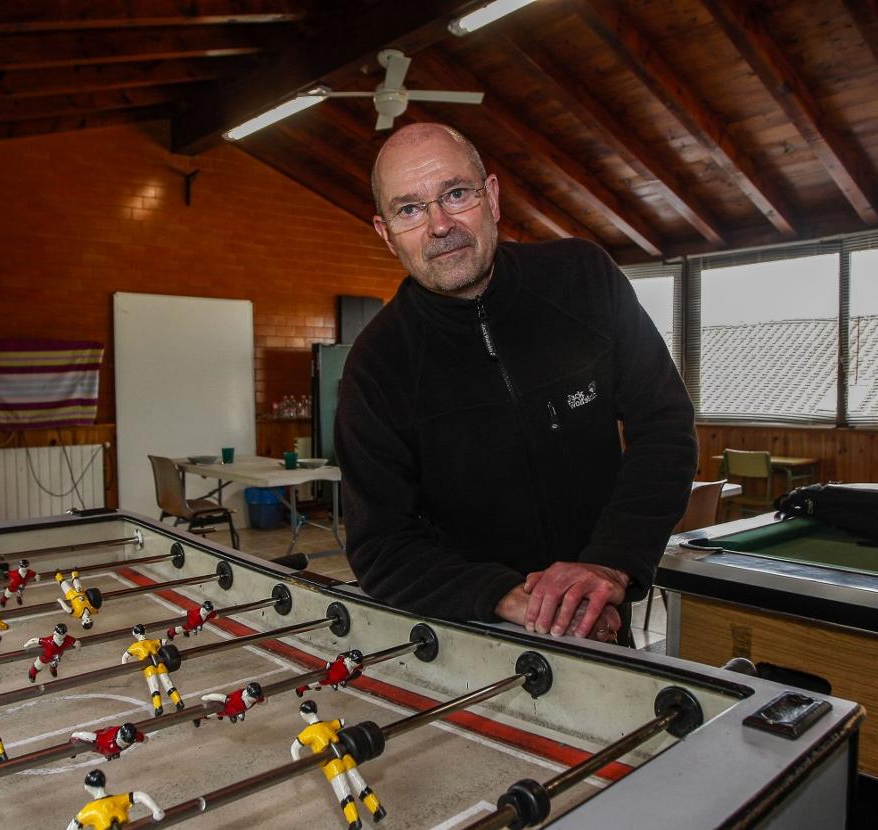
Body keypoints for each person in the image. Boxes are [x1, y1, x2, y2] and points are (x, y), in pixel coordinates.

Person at [336, 123, 697, 645]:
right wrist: (516, 600)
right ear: (385, 232)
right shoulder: (375, 366)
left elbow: (664, 426)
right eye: (410, 209)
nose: (440, 225)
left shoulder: (584, 279)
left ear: (493, 197)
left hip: (603, 618)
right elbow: (381, 546)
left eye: (456, 194)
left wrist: (609, 569)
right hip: (469, 635)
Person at [291, 699, 386, 829]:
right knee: (361, 786)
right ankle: (378, 809)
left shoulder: (308, 733)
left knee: (344, 793)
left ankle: (354, 821)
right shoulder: (328, 724)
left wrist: (298, 764)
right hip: (346, 758)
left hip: (332, 765)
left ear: (304, 714)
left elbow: (294, 748)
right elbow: (342, 721)